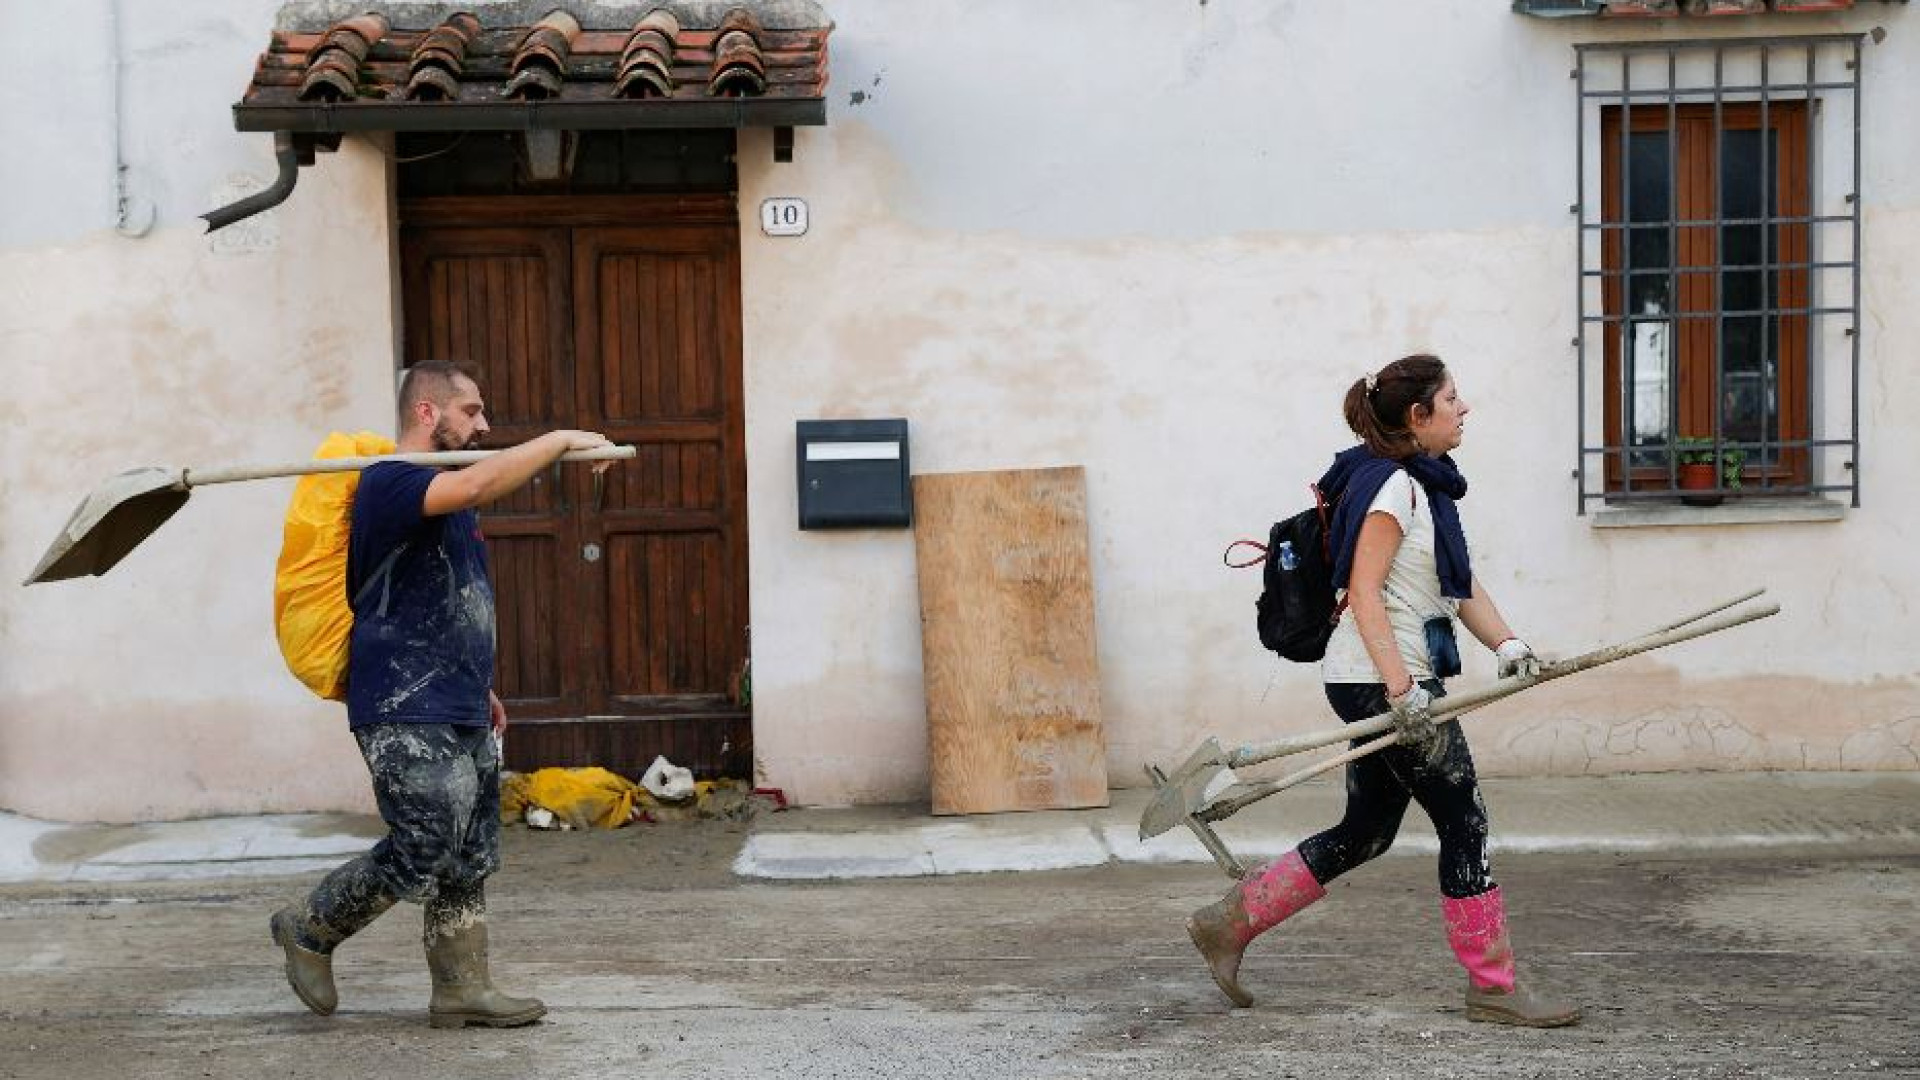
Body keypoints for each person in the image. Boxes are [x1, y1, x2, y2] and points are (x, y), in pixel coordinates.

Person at [1186, 353, 1580, 1028]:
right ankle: (1493, 986)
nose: (1465, 409)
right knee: (1464, 819)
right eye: (1452, 399)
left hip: (1377, 677)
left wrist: (1509, 645)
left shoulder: (1422, 487)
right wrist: (1402, 691)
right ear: (1416, 417)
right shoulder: (1392, 488)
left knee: (1367, 831)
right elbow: (1363, 593)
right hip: (1381, 681)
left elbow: (1454, 585)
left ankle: (1230, 922)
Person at [269, 361, 615, 1029]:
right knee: (425, 839)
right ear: (429, 415)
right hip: (402, 699)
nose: (484, 425)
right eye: (471, 411)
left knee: (471, 852)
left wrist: (478, 683)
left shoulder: (444, 497)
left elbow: (444, 596)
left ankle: (461, 987)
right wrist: (565, 436)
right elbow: (486, 477)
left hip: (453, 696)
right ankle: (310, 926)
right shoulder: (391, 481)